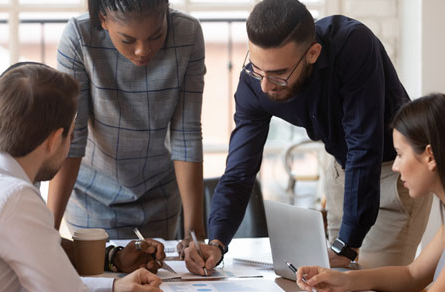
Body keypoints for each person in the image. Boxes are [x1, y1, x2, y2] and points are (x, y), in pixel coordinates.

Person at [184, 0, 432, 275]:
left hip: (396, 174)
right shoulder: (254, 83)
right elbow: (239, 172)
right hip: (343, 170)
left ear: (313, 53)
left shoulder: (353, 45)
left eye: (278, 74)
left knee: (373, 282)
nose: (265, 86)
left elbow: (364, 146)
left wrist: (346, 245)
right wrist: (217, 242)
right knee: (335, 280)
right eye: (257, 68)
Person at [0, 62, 162, 292]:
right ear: (54, 140)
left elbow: (51, 281)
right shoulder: (11, 196)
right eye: (70, 135)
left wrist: (113, 287)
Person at [50, 0, 206, 245]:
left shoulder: (188, 34)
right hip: (92, 197)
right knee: (103, 278)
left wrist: (195, 235)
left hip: (160, 194)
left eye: (156, 36)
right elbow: (73, 137)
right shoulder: (79, 37)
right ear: (103, 19)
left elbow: (186, 135)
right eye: (128, 40)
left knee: (157, 278)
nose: (143, 50)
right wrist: (49, 229)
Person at [296, 93, 445, 292]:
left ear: (430, 156)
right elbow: (412, 275)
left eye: (400, 155)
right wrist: (344, 280)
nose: (395, 167)